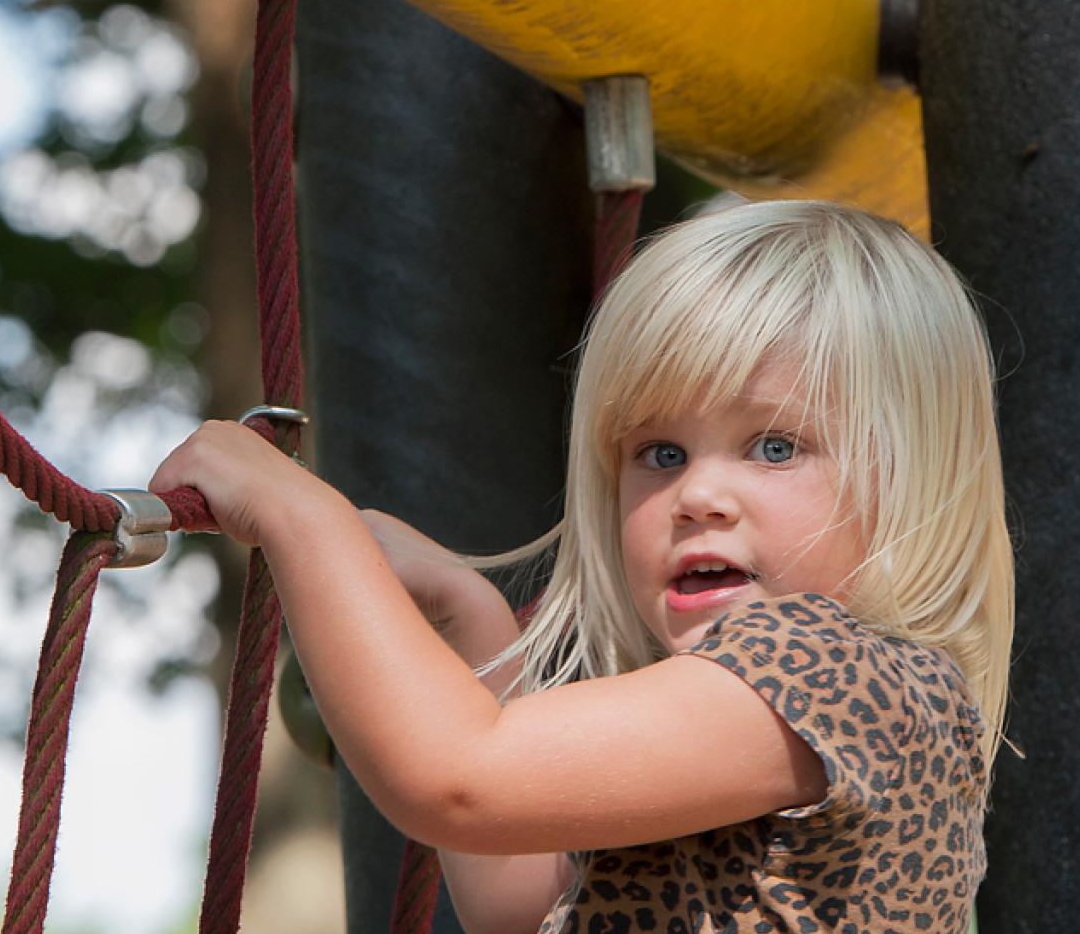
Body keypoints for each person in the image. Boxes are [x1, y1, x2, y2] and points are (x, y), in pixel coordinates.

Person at [150, 199, 1013, 933]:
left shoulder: (824, 671)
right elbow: (516, 899)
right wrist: (468, 614)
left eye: (775, 446)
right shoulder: (819, 703)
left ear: (914, 475)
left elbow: (456, 780)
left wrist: (303, 516)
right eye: (662, 452)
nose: (700, 494)